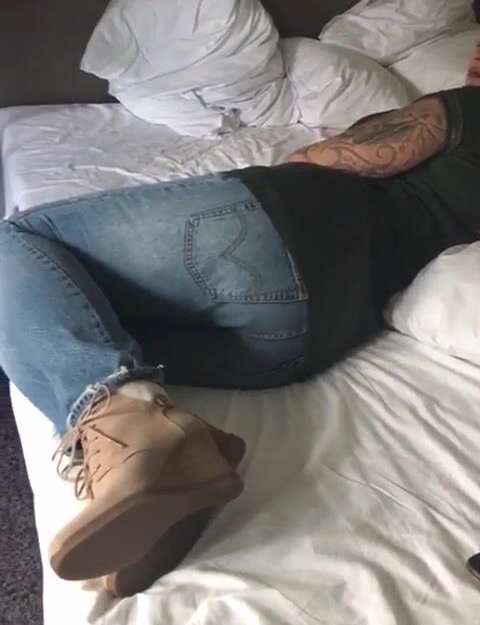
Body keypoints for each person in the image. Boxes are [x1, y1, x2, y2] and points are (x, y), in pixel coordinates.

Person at [1, 86, 479, 599]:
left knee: (21, 239)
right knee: (71, 311)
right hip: (306, 340)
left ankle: (132, 432)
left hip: (283, 231)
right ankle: (157, 460)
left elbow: (328, 157)